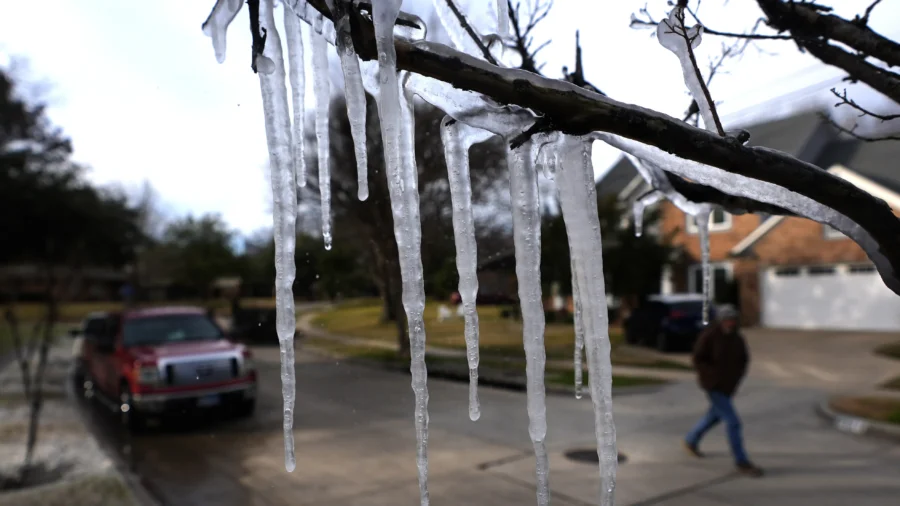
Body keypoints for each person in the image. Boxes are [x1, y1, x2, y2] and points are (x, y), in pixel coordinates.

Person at [684, 304, 764, 477]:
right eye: (727, 320)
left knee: (713, 417)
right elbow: (698, 358)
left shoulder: (737, 339)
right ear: (720, 320)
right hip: (713, 386)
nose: (730, 323)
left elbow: (744, 360)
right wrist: (710, 377)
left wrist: (737, 378)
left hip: (729, 387)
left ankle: (691, 440)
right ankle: (741, 461)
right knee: (733, 422)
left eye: (733, 319)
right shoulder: (710, 336)